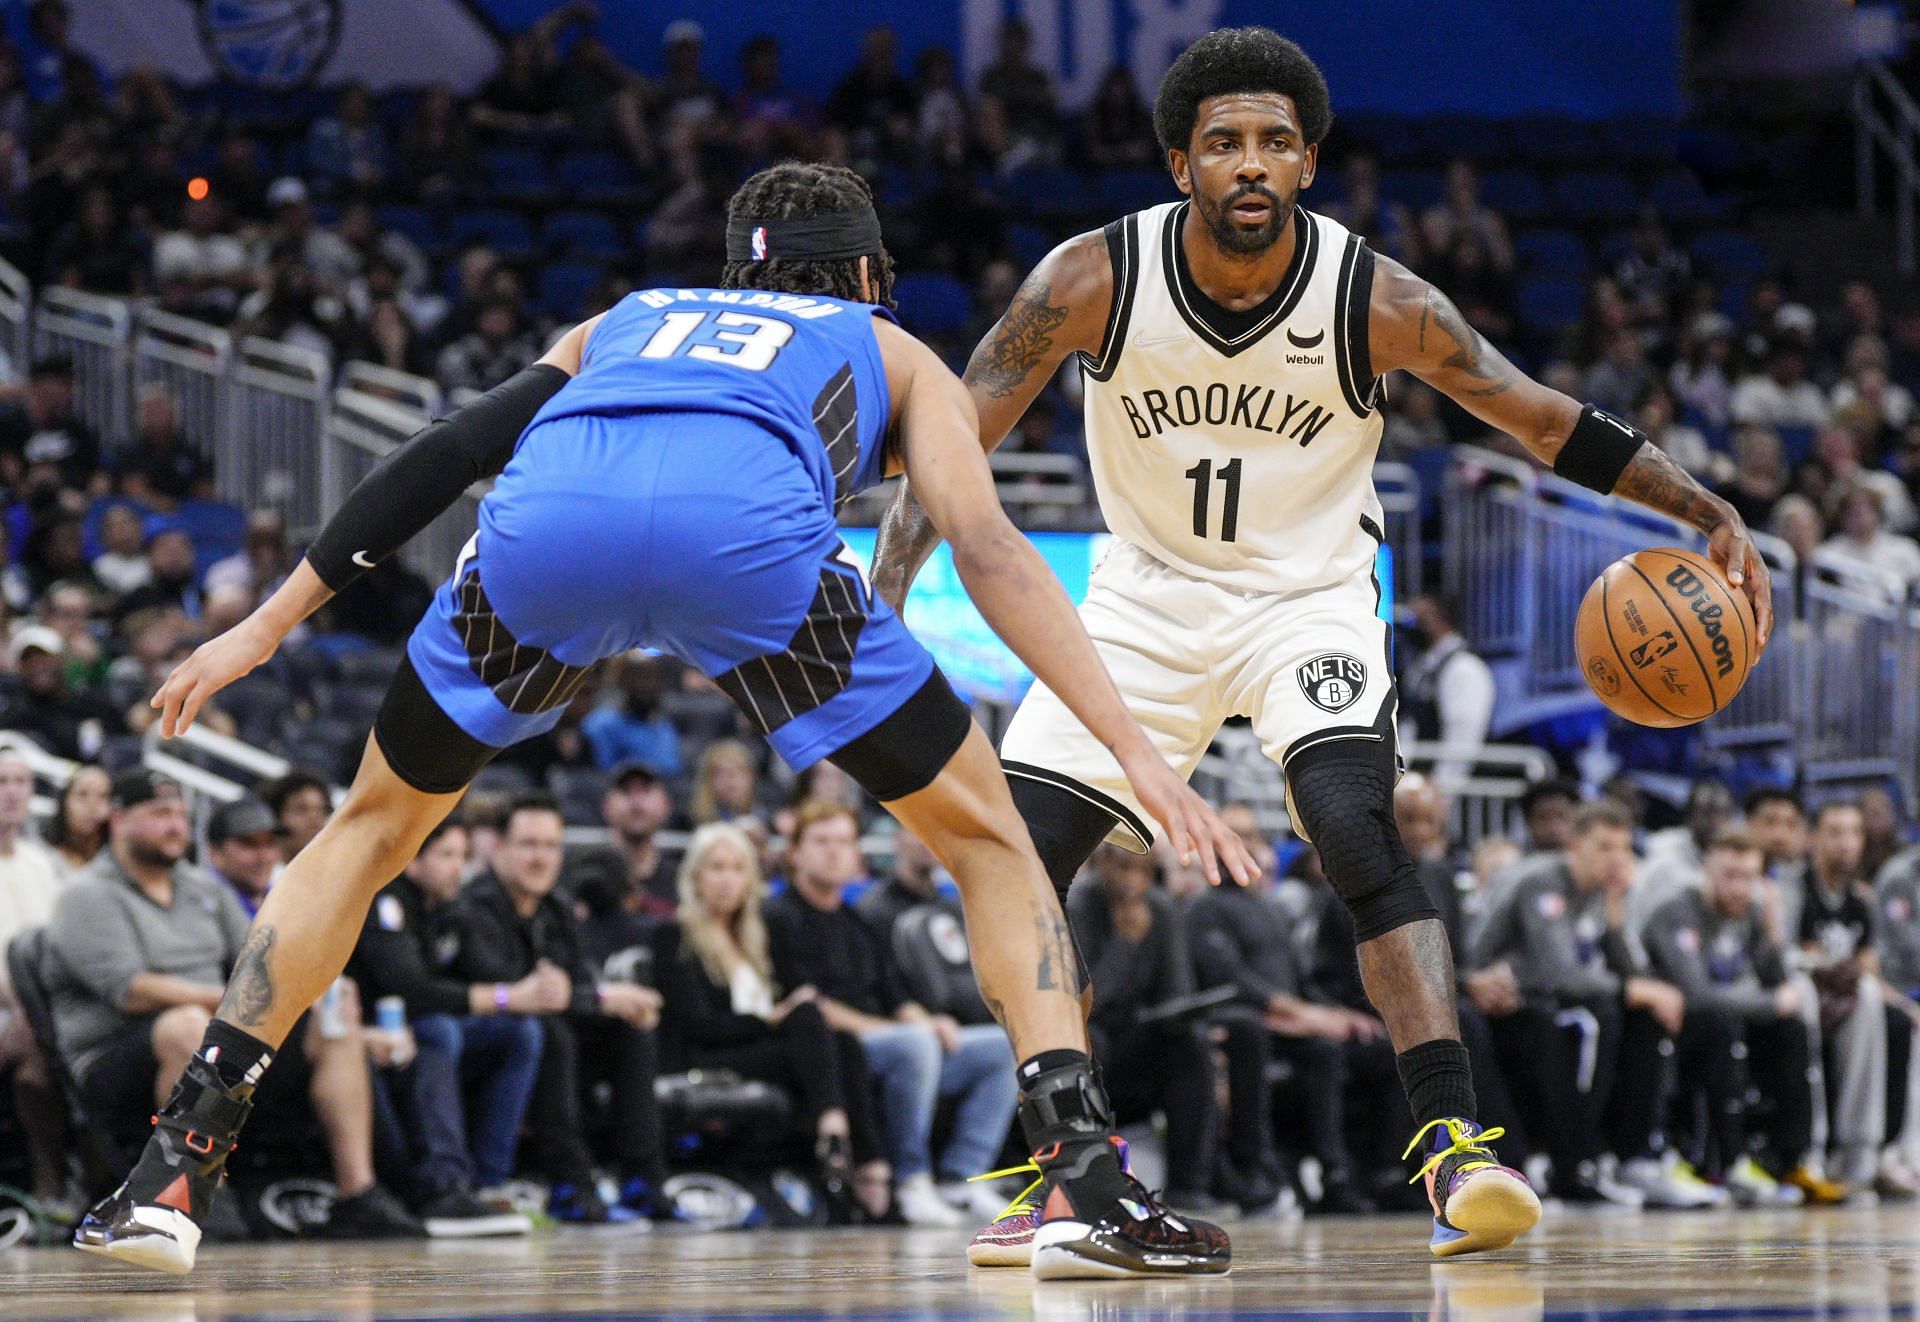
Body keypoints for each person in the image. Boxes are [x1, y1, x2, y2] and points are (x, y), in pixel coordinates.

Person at [78, 159, 1252, 1277]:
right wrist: (1136, 750)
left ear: (740, 271)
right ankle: (1082, 1184)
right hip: (747, 546)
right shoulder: (886, 343)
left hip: (550, 531)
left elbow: (454, 447)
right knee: (992, 844)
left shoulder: (624, 316)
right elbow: (988, 546)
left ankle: (168, 1174)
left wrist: (266, 623)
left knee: (366, 831)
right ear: (862, 277)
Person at [872, 24, 1769, 1263]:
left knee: (1354, 820)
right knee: (1020, 857)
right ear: (1181, 161)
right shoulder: (1089, 278)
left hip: (1313, 598)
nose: (1252, 162)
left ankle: (1456, 1149)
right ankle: (1066, 1167)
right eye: (1226, 142)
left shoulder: (1378, 297)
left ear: (1307, 165)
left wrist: (1700, 501)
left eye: (1277, 143)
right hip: (1140, 606)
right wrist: (886, 580)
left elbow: (1537, 416)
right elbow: (953, 436)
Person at [46, 770, 420, 1242]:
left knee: (332, 1025)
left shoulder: (201, 888)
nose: (176, 825)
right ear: (117, 819)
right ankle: (196, 1196)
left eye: (181, 814)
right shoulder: (86, 895)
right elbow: (129, 989)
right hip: (115, 1057)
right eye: (160, 814)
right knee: (189, 1026)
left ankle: (358, 1192)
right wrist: (222, 1002)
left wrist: (312, 993)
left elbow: (257, 960)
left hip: (211, 1038)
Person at [766, 800, 1016, 1226]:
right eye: (821, 841)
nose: (833, 852)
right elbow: (807, 1007)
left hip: (894, 1043)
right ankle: (911, 1179)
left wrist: (931, 1022)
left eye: (843, 842)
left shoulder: (856, 920)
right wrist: (908, 1033)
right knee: (914, 1046)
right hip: (834, 1050)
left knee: (1002, 1048)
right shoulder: (779, 917)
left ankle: (963, 1175)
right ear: (795, 853)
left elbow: (897, 997)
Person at [1468, 800, 1704, 1207]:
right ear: (1575, 845)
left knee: (1644, 1020)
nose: (1616, 858)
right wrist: (1635, 990)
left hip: (1553, 1006)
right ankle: (1575, 1164)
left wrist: (1615, 920)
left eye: (1623, 848)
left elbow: (1625, 968)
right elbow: (1555, 973)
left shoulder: (1600, 893)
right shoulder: (1543, 884)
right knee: (1591, 1021)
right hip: (1499, 1005)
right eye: (1604, 847)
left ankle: (1631, 1158)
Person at [661, 822, 891, 1217]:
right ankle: (847, 1147)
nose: (726, 879)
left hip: (761, 1052)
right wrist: (771, 1019)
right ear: (694, 876)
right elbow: (700, 1026)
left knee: (842, 1042)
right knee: (805, 1019)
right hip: (707, 1057)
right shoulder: (675, 936)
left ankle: (863, 1158)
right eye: (715, 868)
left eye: (736, 869)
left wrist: (782, 1016)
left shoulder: (756, 936)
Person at [346, 819, 540, 1237]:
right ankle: (442, 1184)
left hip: (422, 1031)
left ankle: (488, 1182)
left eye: (464, 857)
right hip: (369, 1032)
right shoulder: (384, 902)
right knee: (440, 1030)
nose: (459, 868)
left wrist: (533, 988)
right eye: (447, 856)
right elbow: (411, 989)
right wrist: (505, 996)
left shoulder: (451, 906)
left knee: (519, 1032)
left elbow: (494, 972)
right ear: (412, 861)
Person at [1640, 828, 1824, 1205]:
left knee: (1791, 1029)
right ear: (1707, 869)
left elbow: (1777, 982)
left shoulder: (1753, 912)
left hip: (1726, 1021)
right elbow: (1699, 995)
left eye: (1750, 878)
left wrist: (1774, 935)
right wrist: (1769, 1002)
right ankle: (1722, 1161)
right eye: (1730, 876)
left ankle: (1787, 1160)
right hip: (1675, 1027)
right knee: (1725, 1023)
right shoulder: (1675, 912)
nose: (1740, 888)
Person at [0, 748, 68, 1213]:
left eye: (21, 782)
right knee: (31, 1039)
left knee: (37, 1045)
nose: (11, 792)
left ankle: (56, 1186)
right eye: (2, 781)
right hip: (15, 1009)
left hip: (38, 1009)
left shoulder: (42, 863)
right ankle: (51, 1185)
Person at [1398, 594, 1495, 793]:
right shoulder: (1421, 667)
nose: (1413, 627)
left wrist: (1443, 792)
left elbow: (1463, 737)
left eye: (1420, 619)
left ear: (1441, 620)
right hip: (1417, 788)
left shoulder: (1464, 667)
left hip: (1448, 796)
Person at [202, 798, 280, 919]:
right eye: (249, 844)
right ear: (214, 853)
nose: (263, 857)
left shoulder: (282, 899)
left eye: (270, 843)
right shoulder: (201, 906)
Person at [42, 762, 109, 882]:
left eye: (102, 796)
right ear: (64, 803)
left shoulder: (120, 864)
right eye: (82, 794)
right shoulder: (42, 858)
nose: (92, 805)